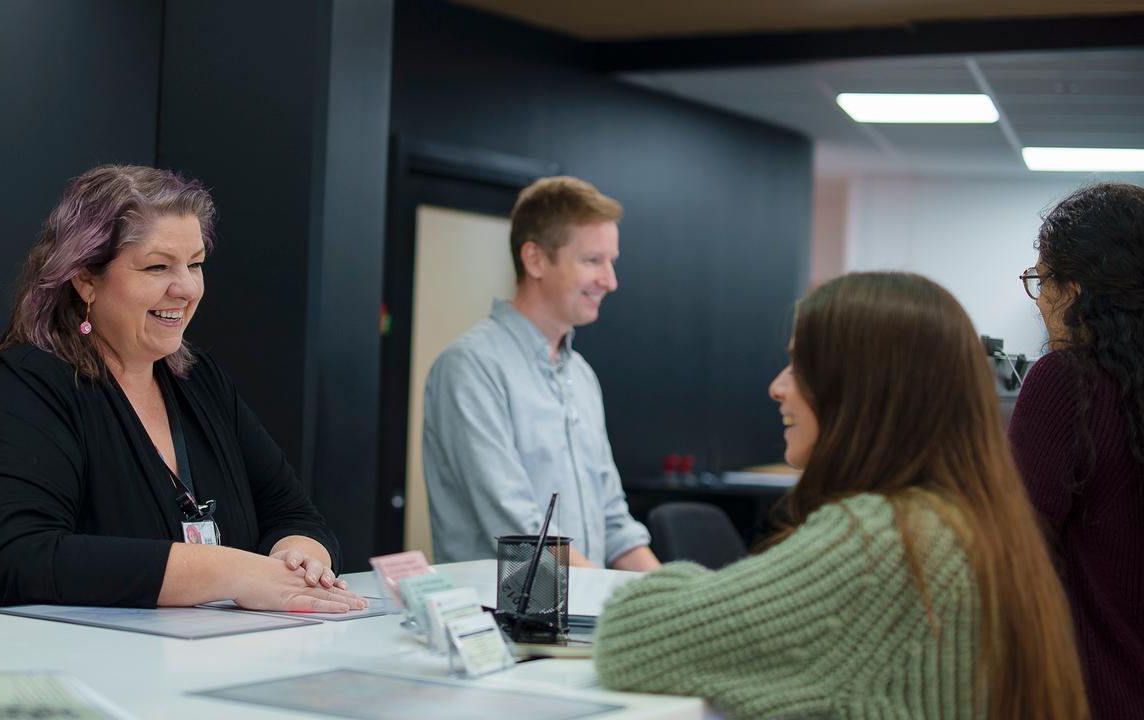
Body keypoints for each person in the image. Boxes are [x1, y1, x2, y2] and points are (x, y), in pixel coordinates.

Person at [594, 273, 1088, 719]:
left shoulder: (883, 540)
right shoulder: (974, 517)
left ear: (861, 390)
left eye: (797, 366)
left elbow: (632, 637)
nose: (776, 387)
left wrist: (697, 588)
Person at [0, 165, 366, 615]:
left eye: (196, 264)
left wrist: (301, 558)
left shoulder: (201, 381)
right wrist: (227, 571)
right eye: (158, 267)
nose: (186, 288)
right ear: (85, 279)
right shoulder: (20, 386)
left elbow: (294, 513)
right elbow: (18, 556)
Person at [422, 176, 658, 571]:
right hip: (503, 626)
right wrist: (616, 602)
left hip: (582, 618)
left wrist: (680, 601)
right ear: (535, 260)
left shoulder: (580, 376)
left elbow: (615, 525)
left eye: (611, 261)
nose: (610, 281)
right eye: (592, 261)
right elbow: (522, 533)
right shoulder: (471, 366)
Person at [1009, 182, 1144, 720]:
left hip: (1093, 696)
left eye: (1042, 278)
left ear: (1078, 289)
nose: (1039, 297)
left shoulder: (1068, 382)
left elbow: (1013, 551)